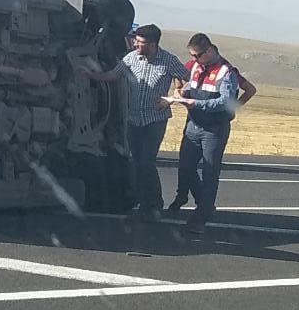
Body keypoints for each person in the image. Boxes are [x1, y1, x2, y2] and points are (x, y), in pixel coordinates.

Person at [77, 23, 187, 220]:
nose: (136, 44)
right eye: (136, 40)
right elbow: (113, 75)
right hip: (134, 119)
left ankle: (154, 204)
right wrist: (93, 76)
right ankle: (141, 203)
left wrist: (173, 97)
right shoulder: (131, 58)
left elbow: (188, 79)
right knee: (136, 162)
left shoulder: (168, 60)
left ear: (153, 44)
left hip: (155, 120)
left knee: (147, 162)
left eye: (141, 41)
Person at [164, 32, 241, 234]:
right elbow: (187, 85)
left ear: (209, 50)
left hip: (214, 129)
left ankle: (202, 215)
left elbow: (226, 101)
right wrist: (182, 93)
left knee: (210, 172)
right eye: (191, 56)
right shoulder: (196, 67)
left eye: (197, 55)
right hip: (193, 125)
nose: (193, 60)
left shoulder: (226, 72)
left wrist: (196, 103)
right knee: (185, 167)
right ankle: (201, 203)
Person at [166, 62, 255, 216]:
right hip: (194, 121)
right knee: (186, 164)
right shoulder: (193, 65)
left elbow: (250, 89)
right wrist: (178, 89)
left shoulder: (225, 71)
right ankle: (186, 196)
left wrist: (232, 108)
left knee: (210, 169)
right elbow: (178, 75)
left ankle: (202, 206)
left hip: (215, 125)